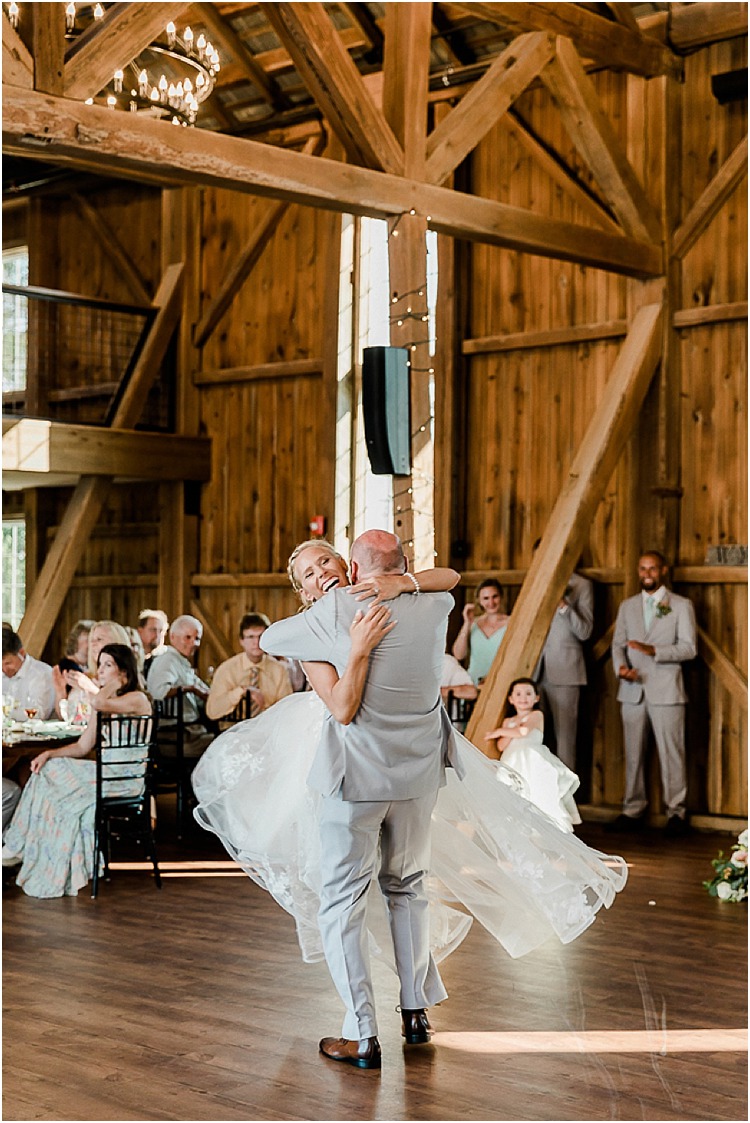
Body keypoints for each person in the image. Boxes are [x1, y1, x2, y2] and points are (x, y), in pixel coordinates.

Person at [193, 537, 627, 1069]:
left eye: (324, 560)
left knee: (341, 902)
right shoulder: (433, 604)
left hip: (356, 782)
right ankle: (416, 1011)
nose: (320, 572)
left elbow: (291, 652)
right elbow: (449, 578)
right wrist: (405, 583)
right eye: (308, 571)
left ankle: (361, 1032)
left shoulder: (322, 618)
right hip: (418, 776)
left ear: (349, 565)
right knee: (407, 888)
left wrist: (345, 632)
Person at [1, 644, 151, 898]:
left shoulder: (137, 699)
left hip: (125, 778)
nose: (100, 670)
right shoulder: (102, 703)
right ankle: (19, 844)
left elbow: (101, 701)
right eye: (99, 664)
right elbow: (83, 746)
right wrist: (48, 754)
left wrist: (102, 686)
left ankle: (16, 846)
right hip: (103, 772)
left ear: (124, 671)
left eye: (107, 665)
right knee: (46, 769)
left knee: (53, 776)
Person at [609, 551, 697, 836]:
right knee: (633, 754)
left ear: (663, 570)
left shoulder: (681, 606)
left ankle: (677, 814)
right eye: (642, 568)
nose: (647, 573)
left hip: (666, 690)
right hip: (632, 690)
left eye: (652, 569)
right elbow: (618, 645)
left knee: (672, 754)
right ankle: (632, 810)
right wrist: (621, 669)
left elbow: (689, 648)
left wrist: (654, 651)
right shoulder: (628, 606)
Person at [484, 678, 581, 833]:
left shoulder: (536, 715)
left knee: (538, 791)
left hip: (532, 759)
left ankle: (547, 831)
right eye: (519, 694)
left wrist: (499, 731)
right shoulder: (509, 720)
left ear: (536, 698)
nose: (523, 698)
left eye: (528, 694)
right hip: (512, 760)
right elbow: (501, 745)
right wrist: (506, 730)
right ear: (511, 699)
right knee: (513, 791)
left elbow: (523, 731)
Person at [534, 568, 594, 771]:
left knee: (565, 737)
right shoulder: (534, 581)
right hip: (534, 672)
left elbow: (585, 632)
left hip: (566, 671)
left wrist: (564, 606)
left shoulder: (582, 585)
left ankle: (566, 797)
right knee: (535, 737)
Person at [206, 613, 292, 723]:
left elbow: (287, 708)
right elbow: (212, 711)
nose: (256, 642)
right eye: (250, 637)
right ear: (241, 640)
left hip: (268, 729)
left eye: (261, 636)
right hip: (233, 732)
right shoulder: (227, 669)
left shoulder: (279, 670)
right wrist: (242, 691)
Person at [147, 615, 213, 758]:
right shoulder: (168, 660)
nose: (193, 643)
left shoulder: (181, 662)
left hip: (191, 731)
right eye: (187, 637)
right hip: (176, 735)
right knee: (223, 744)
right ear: (172, 637)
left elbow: (207, 693)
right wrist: (190, 689)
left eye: (197, 639)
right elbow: (159, 692)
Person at [451, 578, 509, 686]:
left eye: (495, 597)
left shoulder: (512, 623)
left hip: (501, 682)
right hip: (473, 683)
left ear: (501, 597)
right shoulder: (473, 624)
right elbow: (458, 655)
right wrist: (467, 623)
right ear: (479, 601)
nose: (491, 602)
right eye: (486, 598)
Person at [1, 625, 56, 721]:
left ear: (21, 653)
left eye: (8, 663)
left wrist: (6, 712)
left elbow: (40, 714)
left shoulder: (42, 674)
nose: (3, 669)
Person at [137, 609, 169, 680]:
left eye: (161, 631)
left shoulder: (165, 659)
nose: (157, 635)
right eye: (153, 630)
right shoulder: (133, 657)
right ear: (140, 631)